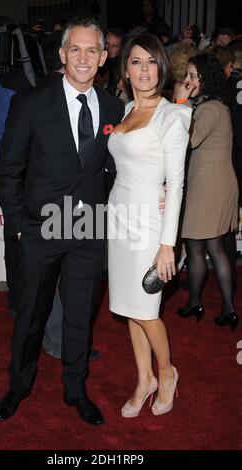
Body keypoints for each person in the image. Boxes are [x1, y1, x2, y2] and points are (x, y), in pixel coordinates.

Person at [0, 18, 125, 425]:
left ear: (103, 58)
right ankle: (19, 385)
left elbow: (114, 169)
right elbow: (8, 171)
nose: (83, 58)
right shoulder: (32, 102)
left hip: (88, 232)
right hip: (40, 229)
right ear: (62, 54)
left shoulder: (114, 107)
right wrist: (18, 225)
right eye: (76, 50)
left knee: (80, 315)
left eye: (92, 51)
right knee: (31, 314)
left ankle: (75, 387)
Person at [107, 33, 191, 418]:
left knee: (146, 308)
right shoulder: (125, 110)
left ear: (162, 67)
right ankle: (144, 379)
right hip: (119, 220)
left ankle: (167, 371)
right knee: (127, 305)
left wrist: (167, 244)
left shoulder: (171, 116)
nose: (144, 69)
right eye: (136, 61)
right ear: (125, 68)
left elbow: (176, 184)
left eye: (151, 61)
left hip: (149, 226)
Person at [175, 54, 239, 331]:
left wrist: (181, 102)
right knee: (201, 247)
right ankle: (200, 302)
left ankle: (225, 308)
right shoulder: (211, 105)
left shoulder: (211, 108)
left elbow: (190, 139)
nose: (187, 81)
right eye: (186, 75)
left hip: (211, 187)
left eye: (192, 76)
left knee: (206, 247)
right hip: (209, 184)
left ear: (206, 78)